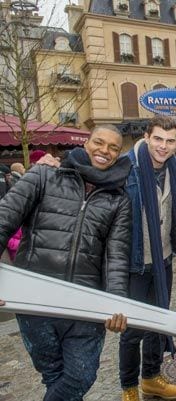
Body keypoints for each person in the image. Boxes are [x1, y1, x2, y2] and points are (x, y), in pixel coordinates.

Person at [0, 124, 131, 401]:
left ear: (118, 155)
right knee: (54, 376)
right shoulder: (44, 176)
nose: (104, 151)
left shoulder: (118, 199)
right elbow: (4, 220)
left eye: (113, 148)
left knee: (80, 375)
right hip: (34, 297)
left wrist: (116, 301)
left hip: (85, 303)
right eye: (99, 142)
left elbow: (116, 255)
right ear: (86, 144)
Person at [120, 116, 176, 401]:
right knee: (132, 329)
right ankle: (128, 387)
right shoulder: (126, 168)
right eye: (158, 139)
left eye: (169, 141)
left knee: (158, 323)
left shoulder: (175, 170)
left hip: (163, 259)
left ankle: (152, 378)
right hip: (136, 263)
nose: (163, 147)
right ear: (146, 136)